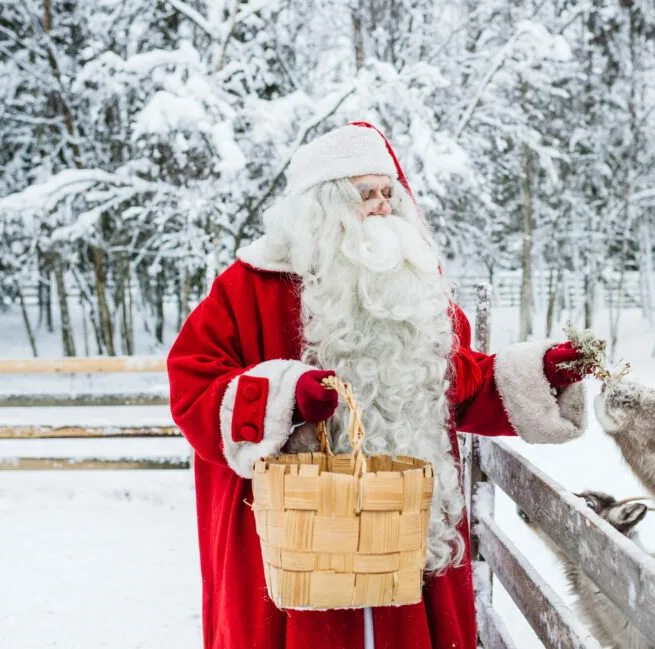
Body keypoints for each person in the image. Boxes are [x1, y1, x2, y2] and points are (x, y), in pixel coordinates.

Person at [167, 122, 592, 649]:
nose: (383, 207)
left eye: (388, 193)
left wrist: (544, 374)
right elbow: (194, 383)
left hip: (405, 545)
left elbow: (457, 386)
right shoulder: (249, 285)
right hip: (298, 551)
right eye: (366, 194)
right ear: (322, 206)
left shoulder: (415, 289)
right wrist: (283, 397)